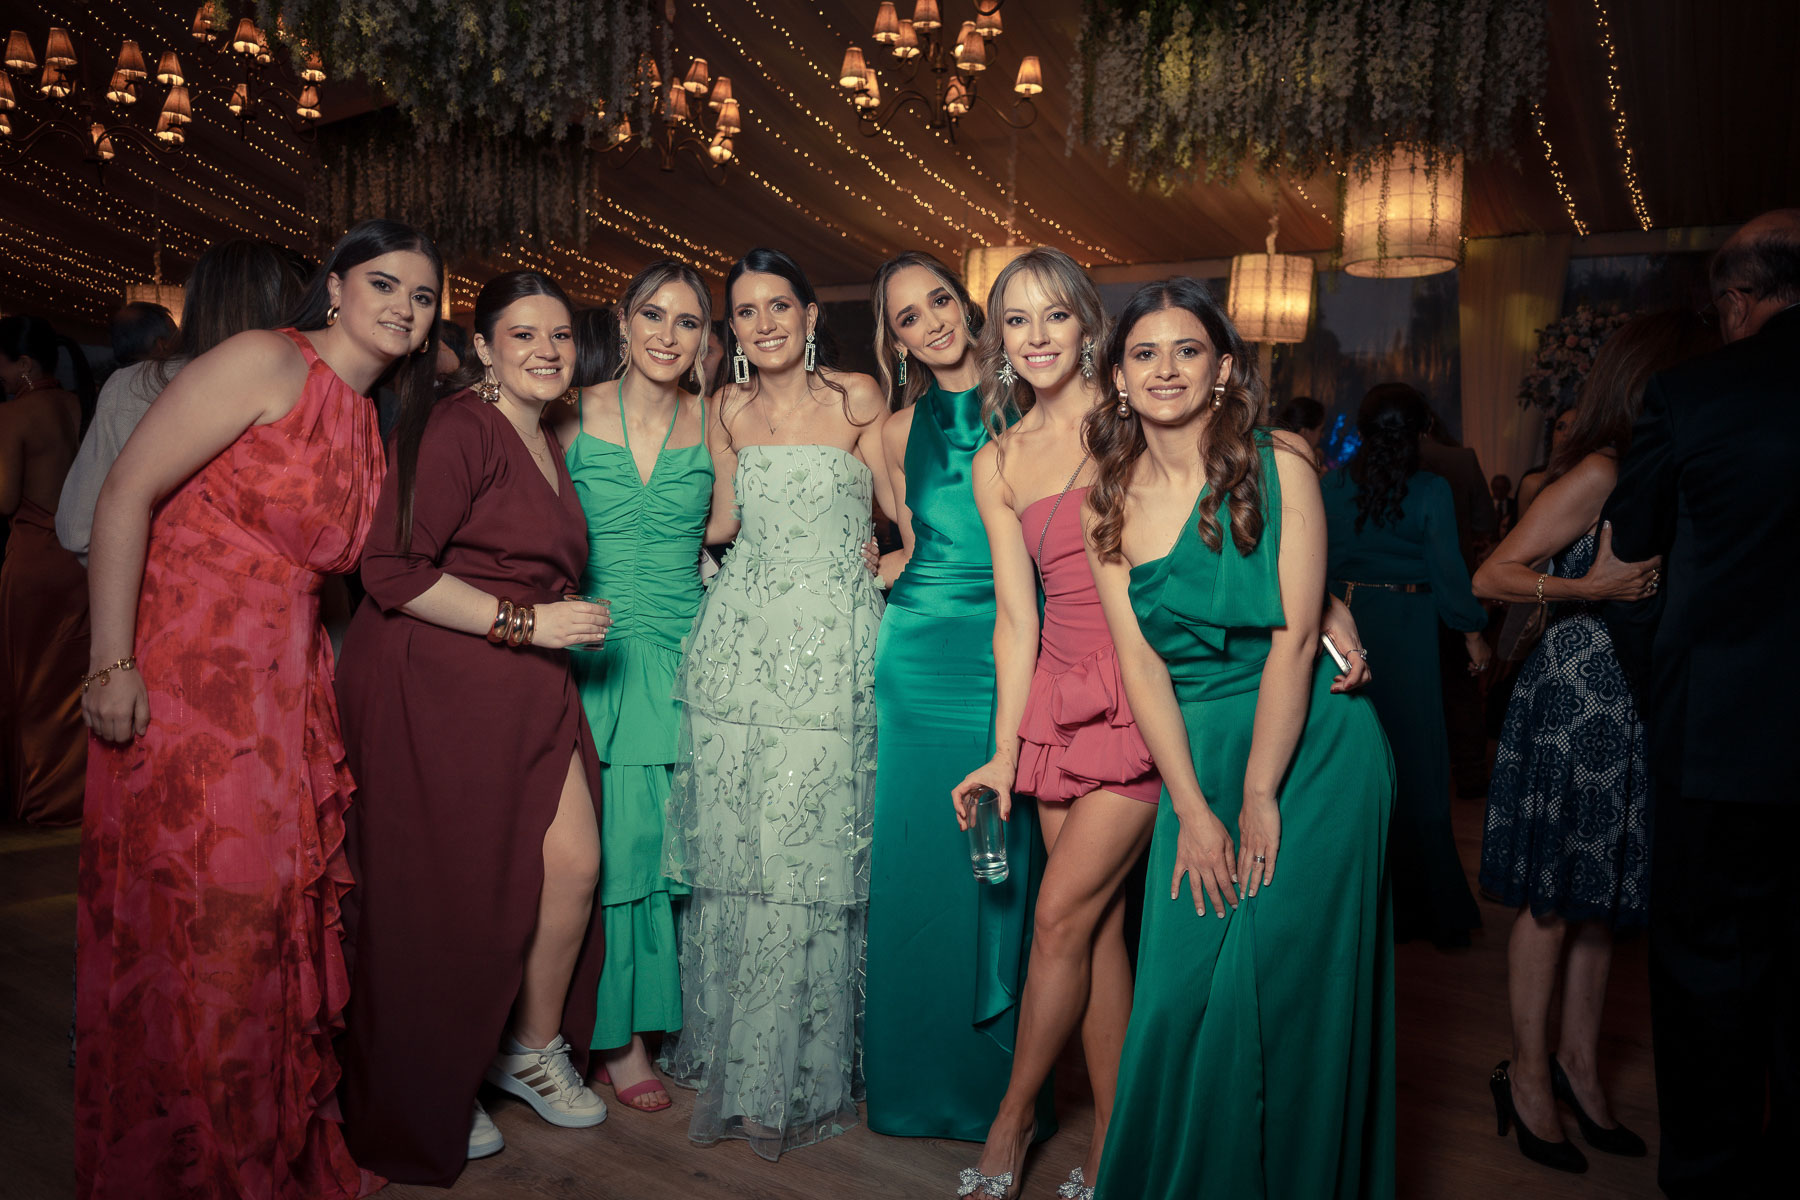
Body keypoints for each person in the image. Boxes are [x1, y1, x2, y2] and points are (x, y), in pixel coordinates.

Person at [949, 250, 1380, 1198]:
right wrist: (1005, 748)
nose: (1036, 337)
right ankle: (1118, 1142)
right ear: (1000, 342)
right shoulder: (1003, 460)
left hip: (1157, 695)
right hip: (1067, 699)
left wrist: (1324, 607)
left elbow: (1236, 549)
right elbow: (1015, 619)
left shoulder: (1146, 428)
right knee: (1094, 930)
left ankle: (1012, 1124)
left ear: (1089, 330)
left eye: (1054, 315)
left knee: (1059, 916)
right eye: (1015, 320)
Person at [75, 217, 440, 1200]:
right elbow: (124, 495)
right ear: (336, 286)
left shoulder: (366, 417)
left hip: (285, 691)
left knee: (261, 935)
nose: (404, 306)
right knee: (203, 933)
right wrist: (111, 664)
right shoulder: (263, 362)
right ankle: (190, 1168)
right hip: (188, 674)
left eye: (422, 295)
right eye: (384, 284)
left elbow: (342, 583)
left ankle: (254, 1155)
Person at [1085, 279, 1395, 1199]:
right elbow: (1142, 667)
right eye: (1144, 353)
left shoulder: (1279, 464)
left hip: (1314, 749)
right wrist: (1191, 808)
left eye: (1187, 350)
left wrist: (1259, 794)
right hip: (1196, 754)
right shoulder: (1106, 499)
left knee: (1289, 995)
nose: (1165, 369)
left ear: (1221, 369)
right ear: (1119, 377)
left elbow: (1296, 638)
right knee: (1179, 996)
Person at [334, 270, 611, 1184]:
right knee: (452, 894)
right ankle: (431, 1082)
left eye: (560, 336)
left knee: (574, 863)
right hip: (440, 678)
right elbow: (393, 570)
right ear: (484, 347)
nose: (546, 351)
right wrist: (530, 621)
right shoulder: (459, 425)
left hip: (524, 678)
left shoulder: (544, 434)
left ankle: (526, 1050)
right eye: (523, 335)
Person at [659, 247, 894, 1160]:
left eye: (779, 307)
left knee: (809, 850)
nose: (764, 325)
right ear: (734, 329)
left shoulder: (858, 399)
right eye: (746, 312)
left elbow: (906, 514)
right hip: (739, 646)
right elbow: (722, 522)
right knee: (741, 852)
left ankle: (791, 1075)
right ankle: (738, 1058)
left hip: (832, 650)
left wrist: (895, 563)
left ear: (809, 315)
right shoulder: (726, 407)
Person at [1474, 310, 1712, 1174]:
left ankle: (1579, 1066)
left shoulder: (1657, 470)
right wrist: (1593, 588)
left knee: (1602, 900)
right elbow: (1490, 574)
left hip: (1631, 703)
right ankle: (1528, 1076)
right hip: (1572, 698)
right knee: (1550, 901)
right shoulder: (1600, 471)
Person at [1601, 209, 1800, 1198]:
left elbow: (1632, 552)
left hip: (1720, 736)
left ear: (1739, 300)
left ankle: (1713, 1180)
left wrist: (1662, 692)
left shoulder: (1693, 393)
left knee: (1705, 978)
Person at [860, 250, 1051, 1144]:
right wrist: (884, 566)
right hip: (918, 654)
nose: (931, 321)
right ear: (895, 341)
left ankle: (997, 1092)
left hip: (1012, 646)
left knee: (1001, 860)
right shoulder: (894, 431)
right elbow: (912, 539)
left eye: (939, 300)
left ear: (967, 305)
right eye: (908, 317)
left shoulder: (1037, 398)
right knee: (919, 866)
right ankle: (910, 1087)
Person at [552, 263, 718, 1115]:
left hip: (686, 657)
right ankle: (615, 1036)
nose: (667, 334)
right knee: (613, 852)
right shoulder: (568, 410)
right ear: (622, 323)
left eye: (687, 322)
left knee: (665, 855)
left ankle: (643, 1022)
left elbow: (740, 524)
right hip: (595, 656)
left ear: (704, 339)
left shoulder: (716, 421)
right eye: (653, 315)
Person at [1322, 383, 1489, 948]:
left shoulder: (1330, 486)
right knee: (1418, 763)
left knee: (1352, 764)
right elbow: (1449, 575)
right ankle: (1429, 909)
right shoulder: (1430, 490)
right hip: (1409, 624)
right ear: (1421, 431)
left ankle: (1356, 910)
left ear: (1361, 429)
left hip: (1342, 625)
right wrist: (1474, 637)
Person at [59, 240, 309, 565]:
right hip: (266, 589)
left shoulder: (132, 387)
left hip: (159, 586)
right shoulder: (304, 387)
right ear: (283, 306)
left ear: (197, 305)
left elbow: (78, 529)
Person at [0, 315, 94, 826]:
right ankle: (78, 797)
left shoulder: (14, 415)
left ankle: (39, 801)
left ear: (24, 363)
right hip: (80, 563)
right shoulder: (80, 404)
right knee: (76, 679)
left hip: (35, 562)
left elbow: (4, 499)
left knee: (31, 685)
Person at [107, 302, 176, 370]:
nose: (181, 346)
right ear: (161, 346)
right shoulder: (174, 374)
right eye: (176, 337)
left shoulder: (114, 375)